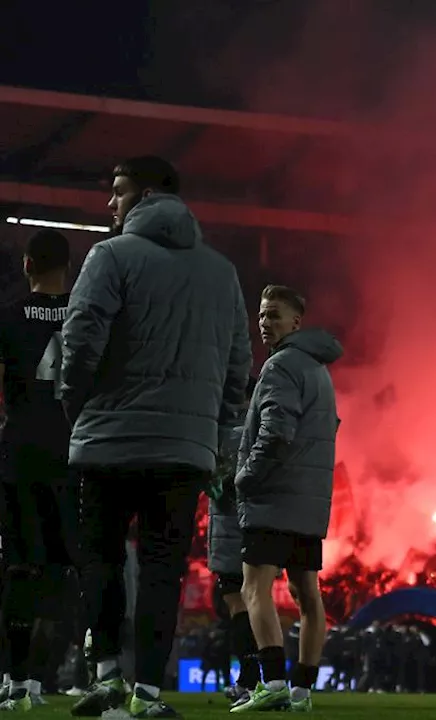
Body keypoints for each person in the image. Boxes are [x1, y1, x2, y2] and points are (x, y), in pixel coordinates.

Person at [63, 156, 251, 718]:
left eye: (117, 191)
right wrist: (215, 436)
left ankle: (106, 679)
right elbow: (239, 365)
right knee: (163, 568)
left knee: (99, 559)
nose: (109, 204)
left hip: (108, 440)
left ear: (144, 195)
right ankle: (148, 692)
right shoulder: (222, 273)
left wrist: (77, 406)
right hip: (184, 451)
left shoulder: (110, 255)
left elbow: (81, 337)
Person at [231, 285, 343, 714]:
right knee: (307, 594)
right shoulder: (319, 371)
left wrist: (246, 477)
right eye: (261, 315)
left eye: (274, 315)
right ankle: (301, 691)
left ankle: (274, 681)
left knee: (253, 587)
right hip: (309, 503)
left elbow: (276, 433)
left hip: (273, 496)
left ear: (297, 322)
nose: (264, 322)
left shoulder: (280, 367)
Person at [0, 230, 77, 711]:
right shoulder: (87, 316)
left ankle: (17, 677)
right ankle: (74, 674)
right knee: (70, 569)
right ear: (68, 266)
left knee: (19, 567)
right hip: (76, 454)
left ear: (28, 265)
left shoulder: (8, 316)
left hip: (22, 454)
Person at [206, 376, 259, 707]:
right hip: (257, 524)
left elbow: (217, 483)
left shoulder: (224, 431)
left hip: (230, 528)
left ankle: (249, 680)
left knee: (238, 602)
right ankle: (259, 678)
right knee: (253, 600)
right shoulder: (258, 428)